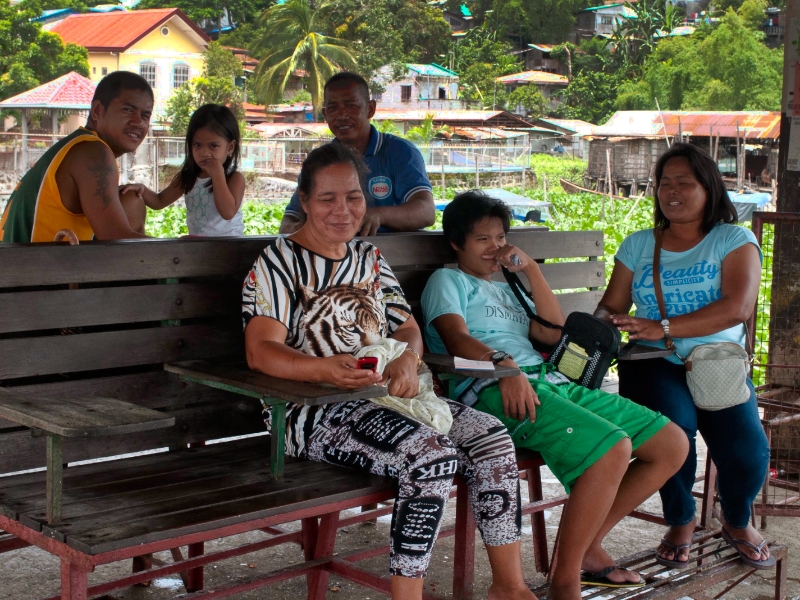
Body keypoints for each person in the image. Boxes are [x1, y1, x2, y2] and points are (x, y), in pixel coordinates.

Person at [244, 143, 535, 600]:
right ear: (303, 201)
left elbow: (408, 327)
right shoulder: (277, 263)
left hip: (392, 399)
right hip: (314, 413)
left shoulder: (370, 258)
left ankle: (509, 587)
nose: (343, 210)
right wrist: (323, 368)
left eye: (354, 197)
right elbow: (261, 353)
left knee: (492, 436)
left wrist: (407, 358)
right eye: (327, 198)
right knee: (431, 456)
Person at [421, 191, 688, 600]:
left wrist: (529, 270)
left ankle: (583, 548)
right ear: (456, 243)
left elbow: (553, 332)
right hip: (495, 386)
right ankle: (566, 581)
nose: (495, 248)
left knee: (672, 444)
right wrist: (504, 366)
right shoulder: (447, 281)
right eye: (482, 240)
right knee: (613, 448)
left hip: (549, 380)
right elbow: (455, 338)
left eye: (500, 238)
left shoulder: (510, 286)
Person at [595, 143, 773, 570]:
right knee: (674, 433)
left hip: (715, 359)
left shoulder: (733, 239)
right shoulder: (639, 245)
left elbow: (737, 307)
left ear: (709, 189)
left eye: (684, 184)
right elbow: (612, 304)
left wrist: (665, 326)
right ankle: (680, 520)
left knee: (748, 449)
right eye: (664, 185)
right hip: (652, 360)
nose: (671, 192)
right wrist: (601, 322)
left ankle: (735, 518)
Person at [1, 71, 153, 243]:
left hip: (22, 264)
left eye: (145, 115)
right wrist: (181, 249)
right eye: (128, 110)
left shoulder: (76, 145)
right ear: (97, 110)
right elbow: (115, 238)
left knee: (131, 200)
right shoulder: (92, 151)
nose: (138, 122)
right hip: (31, 267)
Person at [279, 72, 435, 236]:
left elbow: (426, 211)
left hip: (395, 257)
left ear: (370, 109)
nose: (342, 115)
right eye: (333, 108)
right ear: (325, 115)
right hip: (335, 258)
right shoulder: (321, 162)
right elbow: (290, 220)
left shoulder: (400, 152)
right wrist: (308, 232)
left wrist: (377, 215)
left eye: (351, 105)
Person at [121, 104, 245, 236]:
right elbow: (159, 201)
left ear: (230, 147)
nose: (204, 152)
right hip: (199, 248)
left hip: (230, 247)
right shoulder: (188, 177)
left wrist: (217, 174)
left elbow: (228, 213)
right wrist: (141, 189)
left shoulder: (234, 178)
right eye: (197, 145)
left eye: (213, 146)